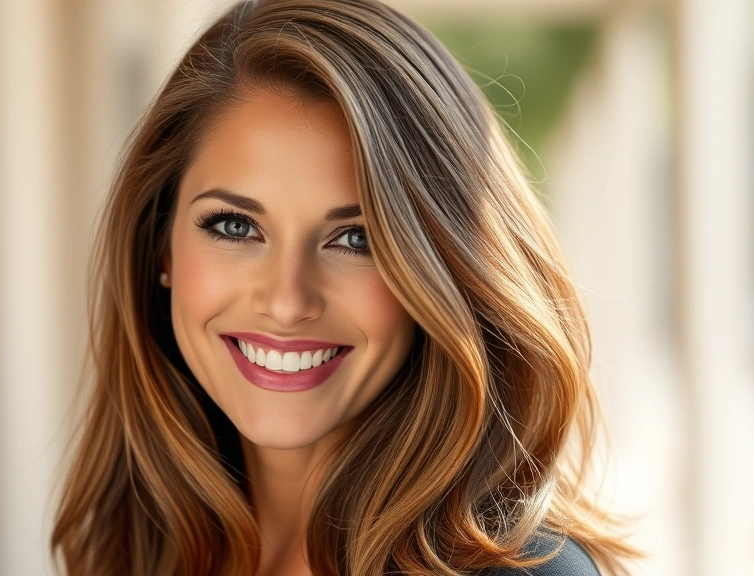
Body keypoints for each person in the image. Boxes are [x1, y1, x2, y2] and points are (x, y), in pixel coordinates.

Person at [51, 0, 638, 574]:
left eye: (356, 239)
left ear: (444, 271)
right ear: (163, 249)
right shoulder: (139, 551)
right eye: (234, 226)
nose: (286, 301)